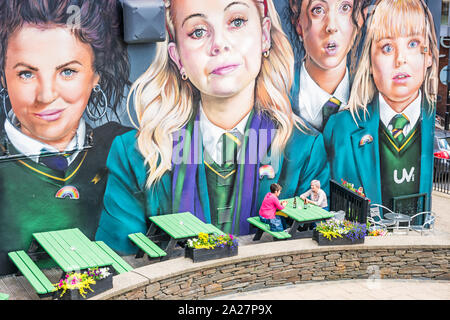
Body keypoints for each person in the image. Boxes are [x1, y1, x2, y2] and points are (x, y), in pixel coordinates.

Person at [96, 0, 330, 255]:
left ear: (264, 35)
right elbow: (122, 268)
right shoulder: (135, 155)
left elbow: (310, 260)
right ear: (178, 57)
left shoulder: (304, 149)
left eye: (237, 21)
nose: (219, 44)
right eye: (198, 31)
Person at [0, 0, 130, 275]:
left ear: (95, 75)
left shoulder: (127, 149)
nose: (46, 96)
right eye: (26, 73)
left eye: (67, 71)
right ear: (3, 77)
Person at [323, 0, 438, 215]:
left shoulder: (431, 122)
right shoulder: (341, 128)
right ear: (369, 58)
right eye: (387, 47)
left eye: (413, 44)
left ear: (429, 55)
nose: (400, 59)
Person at [287, 0, 367, 132]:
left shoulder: (374, 101)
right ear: (298, 23)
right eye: (318, 10)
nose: (331, 26)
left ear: (359, 20)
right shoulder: (275, 99)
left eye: (345, 8)